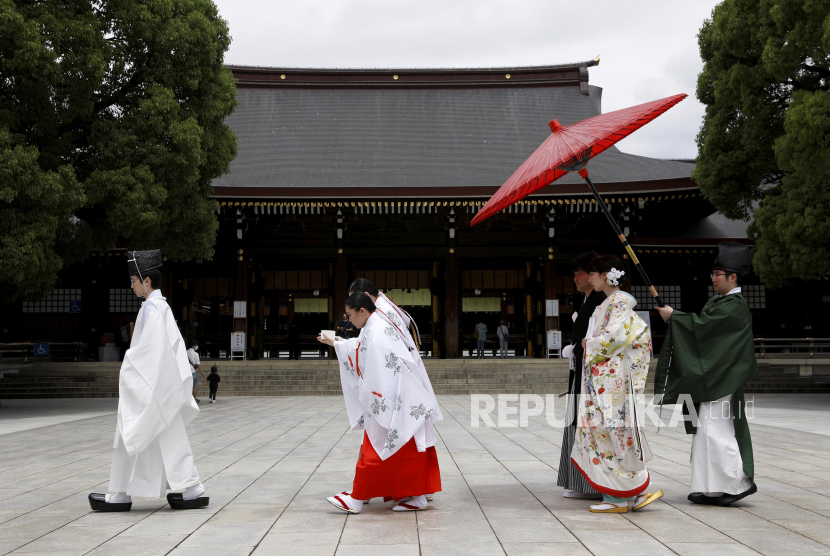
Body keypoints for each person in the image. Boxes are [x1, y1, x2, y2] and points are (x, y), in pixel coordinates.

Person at [89, 249, 207, 512]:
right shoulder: (158, 307)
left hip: (152, 382)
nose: (131, 286)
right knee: (168, 434)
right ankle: (192, 488)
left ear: (147, 281)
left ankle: (120, 493)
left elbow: (150, 350)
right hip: (161, 383)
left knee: (131, 429)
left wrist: (130, 368)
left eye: (133, 281)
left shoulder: (153, 308)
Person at [655, 242, 758, 506]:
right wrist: (676, 318)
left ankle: (735, 484)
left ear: (733, 277)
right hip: (715, 376)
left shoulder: (735, 306)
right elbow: (702, 331)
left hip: (723, 378)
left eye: (717, 274)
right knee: (705, 430)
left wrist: (674, 316)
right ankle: (710, 487)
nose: (712, 279)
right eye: (713, 274)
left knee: (716, 430)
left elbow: (703, 331)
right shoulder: (720, 302)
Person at [321, 292, 442, 513]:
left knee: (375, 450)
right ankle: (416, 495)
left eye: (350, 315)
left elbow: (372, 361)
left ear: (362, 310)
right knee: (405, 450)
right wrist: (336, 341)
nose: (349, 320)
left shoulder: (376, 330)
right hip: (400, 393)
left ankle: (358, 498)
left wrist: (373, 397)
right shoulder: (376, 324)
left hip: (389, 395)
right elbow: (359, 347)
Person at [570, 254, 662, 513]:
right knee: (611, 434)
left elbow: (616, 337)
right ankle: (636, 489)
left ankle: (619, 497)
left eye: (593, 274)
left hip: (611, 381)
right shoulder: (610, 302)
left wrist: (589, 344)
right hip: (605, 378)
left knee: (611, 434)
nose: (589, 279)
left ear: (605, 276)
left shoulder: (619, 302)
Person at [557, 251, 604, 500]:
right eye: (574, 273)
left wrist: (578, 347)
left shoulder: (601, 301)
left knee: (586, 425)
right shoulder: (588, 301)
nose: (575, 278)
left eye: (580, 273)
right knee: (576, 423)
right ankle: (579, 481)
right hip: (580, 371)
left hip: (592, 374)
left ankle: (593, 483)